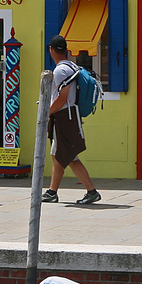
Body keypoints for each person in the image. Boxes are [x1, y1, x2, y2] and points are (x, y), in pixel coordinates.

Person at [41, 35, 99, 205]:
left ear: (51, 50)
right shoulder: (71, 66)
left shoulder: (60, 70)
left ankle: (91, 191)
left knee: (69, 156)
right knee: (59, 155)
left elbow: (62, 98)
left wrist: (46, 113)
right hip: (69, 115)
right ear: (65, 50)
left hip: (64, 116)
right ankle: (52, 191)